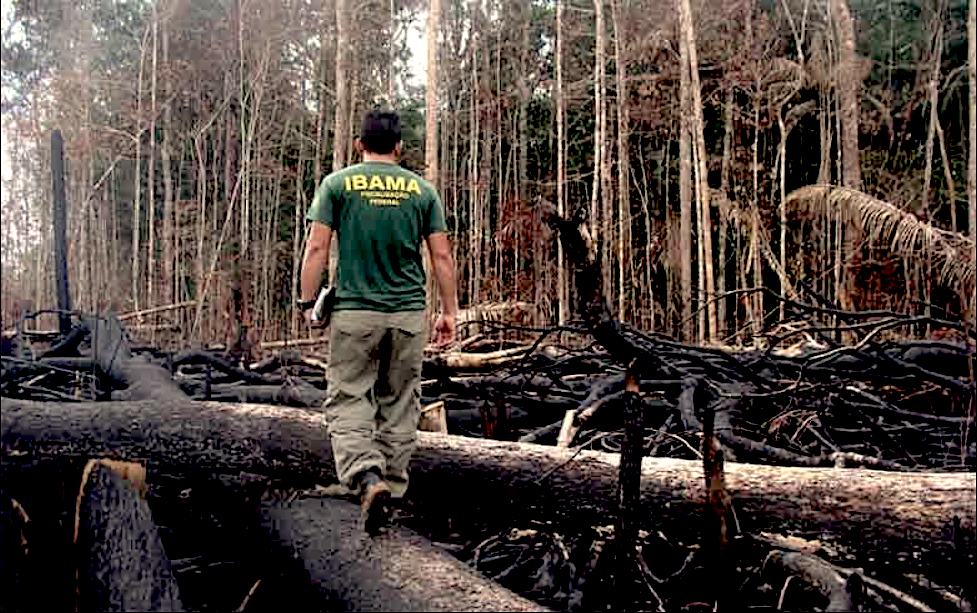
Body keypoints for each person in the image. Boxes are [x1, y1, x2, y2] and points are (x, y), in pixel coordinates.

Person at [298, 109, 458, 534]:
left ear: (359, 145)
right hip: (407, 315)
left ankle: (366, 479)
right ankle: (391, 490)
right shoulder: (422, 190)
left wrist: (306, 301)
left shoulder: (338, 184)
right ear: (399, 147)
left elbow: (316, 249)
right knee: (400, 403)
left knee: (350, 399)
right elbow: (441, 256)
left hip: (355, 314)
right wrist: (449, 312)